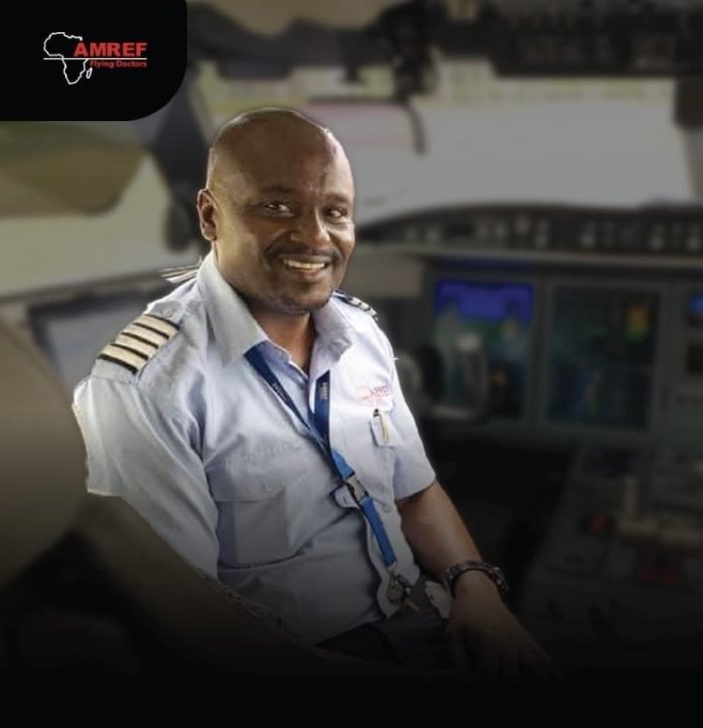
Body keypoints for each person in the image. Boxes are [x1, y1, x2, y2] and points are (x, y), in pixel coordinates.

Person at [73, 108, 555, 679]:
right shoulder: (145, 386)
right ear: (209, 216)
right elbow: (191, 625)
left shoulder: (361, 334)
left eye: (335, 212)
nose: (315, 236)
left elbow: (413, 492)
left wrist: (477, 590)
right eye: (277, 207)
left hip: (424, 618)